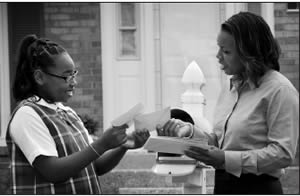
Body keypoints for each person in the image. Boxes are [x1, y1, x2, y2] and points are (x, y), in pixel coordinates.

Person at [156, 12, 299, 194]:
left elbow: (282, 154)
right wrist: (189, 131)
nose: (218, 56)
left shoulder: (280, 91)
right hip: (223, 186)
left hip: (258, 188)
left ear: (249, 53)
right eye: (219, 48)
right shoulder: (230, 87)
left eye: (226, 51)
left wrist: (225, 159)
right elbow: (219, 142)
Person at [6, 34, 150, 194]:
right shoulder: (27, 115)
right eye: (66, 76)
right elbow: (52, 171)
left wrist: (123, 146)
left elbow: (96, 166)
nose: (74, 82)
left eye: (74, 74)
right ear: (40, 77)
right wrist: (102, 143)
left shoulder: (68, 113)